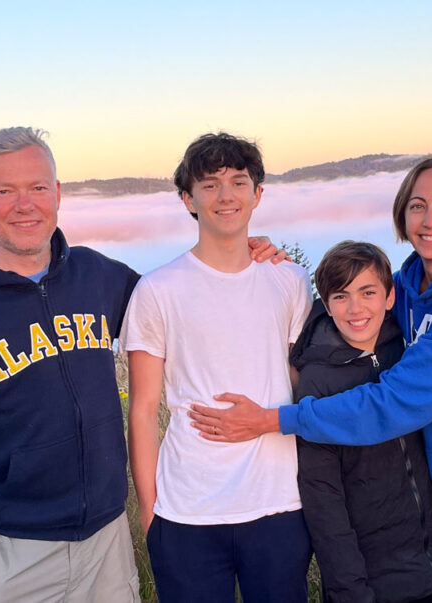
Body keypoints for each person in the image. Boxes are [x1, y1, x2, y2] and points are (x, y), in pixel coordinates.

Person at [0, 127, 283, 602]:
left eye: (38, 188)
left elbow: (185, 306)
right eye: (4, 191)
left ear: (57, 194)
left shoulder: (98, 276)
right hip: (7, 556)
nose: (25, 204)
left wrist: (244, 249)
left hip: (107, 546)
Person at [190, 154, 432, 602]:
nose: (429, 220)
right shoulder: (410, 285)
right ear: (403, 214)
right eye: (417, 205)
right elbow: (350, 300)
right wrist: (263, 257)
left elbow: (393, 403)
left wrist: (275, 420)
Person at [121, 132, 313, 602]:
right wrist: (151, 514)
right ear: (188, 198)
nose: (225, 196)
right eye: (209, 185)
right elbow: (143, 409)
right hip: (187, 510)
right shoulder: (157, 289)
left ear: (257, 194)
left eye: (238, 182)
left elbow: (303, 382)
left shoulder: (288, 279)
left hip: (279, 504)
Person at [294, 241, 432, 602]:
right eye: (341, 296)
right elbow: (325, 504)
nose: (355, 308)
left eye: (368, 292)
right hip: (379, 586)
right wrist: (352, 593)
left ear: (389, 296)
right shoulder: (316, 383)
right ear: (326, 302)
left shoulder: (408, 350)